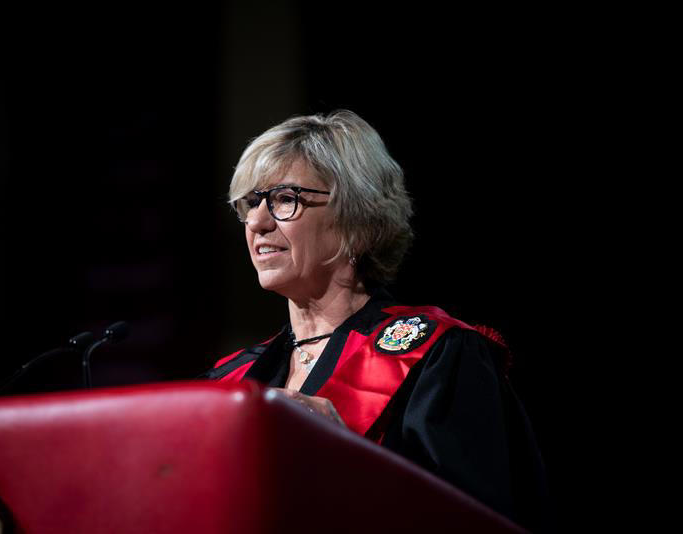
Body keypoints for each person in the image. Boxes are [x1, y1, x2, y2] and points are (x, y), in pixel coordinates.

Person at [202, 110, 549, 531]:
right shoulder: (227, 382)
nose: (257, 222)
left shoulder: (439, 358)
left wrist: (349, 457)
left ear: (358, 222)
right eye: (251, 202)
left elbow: (480, 520)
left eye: (285, 199)